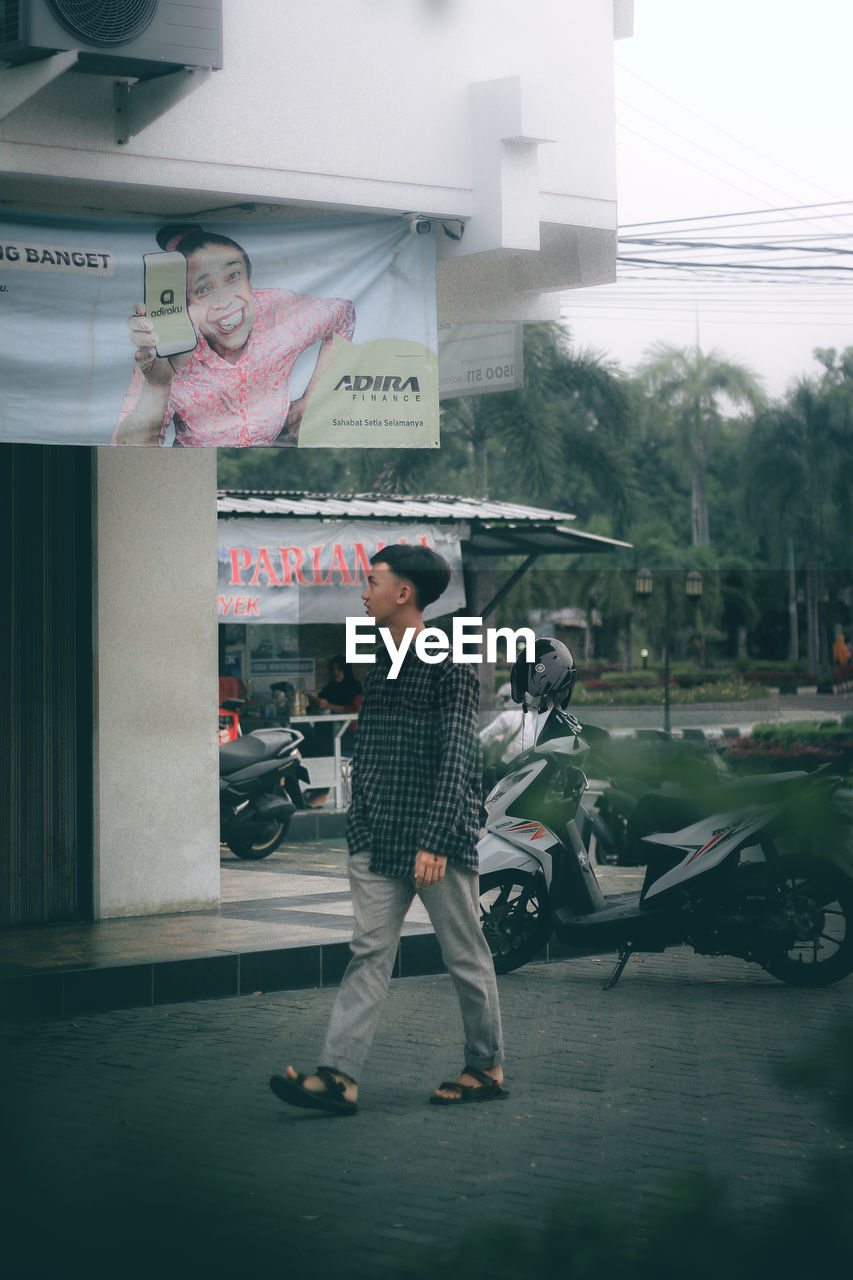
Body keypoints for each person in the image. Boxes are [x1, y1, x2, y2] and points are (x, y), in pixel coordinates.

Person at [269, 544, 506, 1115]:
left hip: (436, 843)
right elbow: (369, 756)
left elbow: (457, 760)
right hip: (379, 840)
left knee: (465, 955)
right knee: (368, 952)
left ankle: (486, 1065)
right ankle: (339, 1076)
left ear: (404, 593)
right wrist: (362, 826)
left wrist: (436, 839)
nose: (363, 591)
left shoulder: (450, 669)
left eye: (372, 581)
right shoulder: (381, 670)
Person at [112, 224, 355, 447]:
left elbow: (343, 314)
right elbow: (128, 450)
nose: (224, 301)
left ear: (249, 280)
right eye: (202, 289)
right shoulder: (168, 349)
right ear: (185, 305)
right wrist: (157, 386)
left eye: (233, 276)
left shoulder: (276, 312)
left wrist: (311, 399)